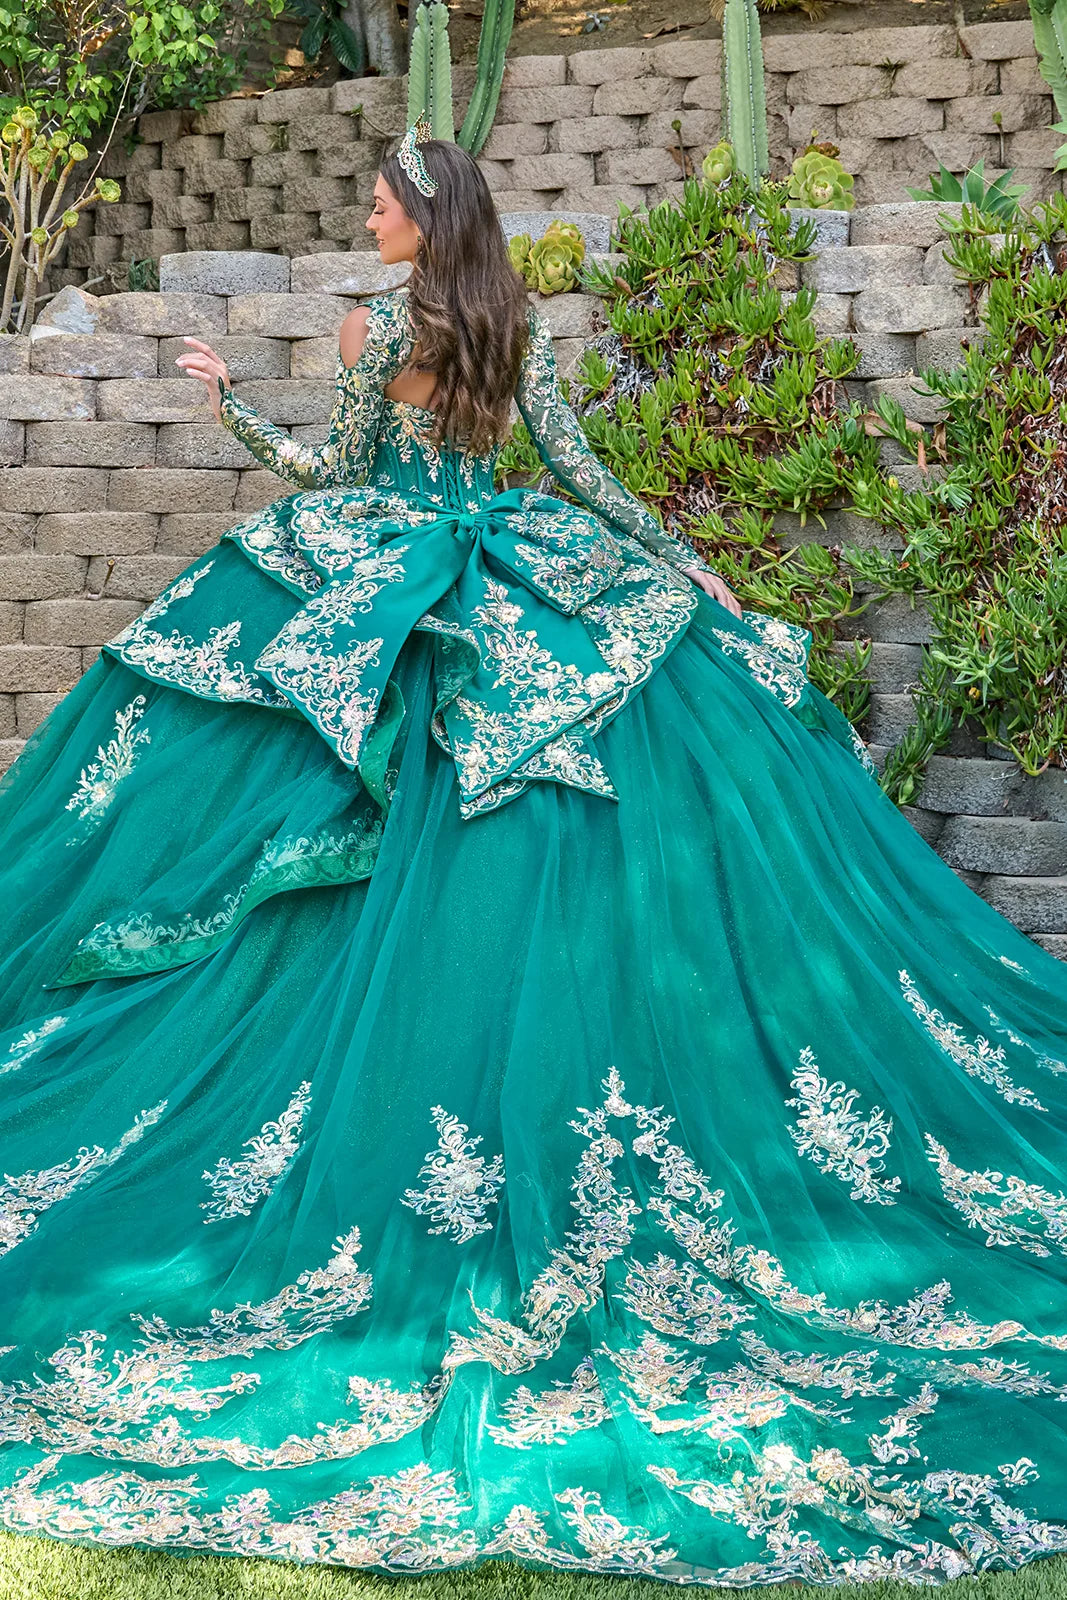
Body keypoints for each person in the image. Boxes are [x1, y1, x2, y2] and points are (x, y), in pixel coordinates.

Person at [0, 125, 1065, 1590]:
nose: (364, 220)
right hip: (516, 577)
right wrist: (683, 566)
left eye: (377, 204)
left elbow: (336, 472)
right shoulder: (515, 328)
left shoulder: (385, 333)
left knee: (337, 815)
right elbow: (581, 474)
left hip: (410, 593)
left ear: (421, 217)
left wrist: (232, 402)